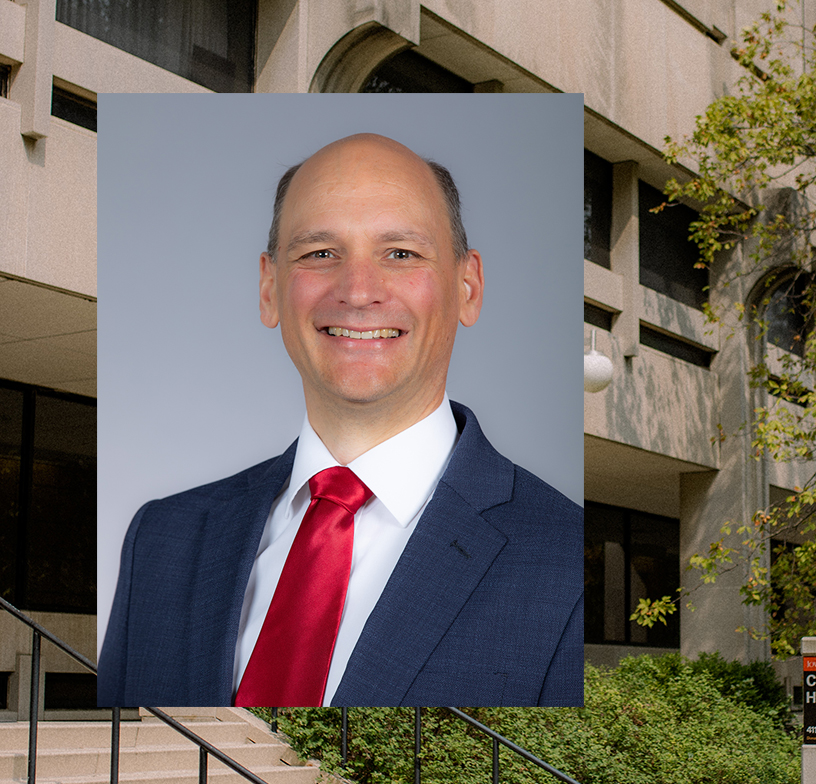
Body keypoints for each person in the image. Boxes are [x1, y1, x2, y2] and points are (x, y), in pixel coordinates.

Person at [96, 134, 583, 707]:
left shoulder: (567, 562)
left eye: (401, 253)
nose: (357, 291)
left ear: (467, 286)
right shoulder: (162, 539)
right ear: (269, 288)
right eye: (319, 253)